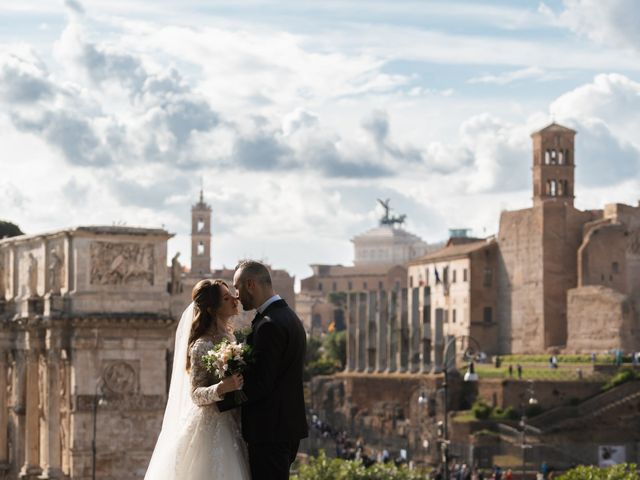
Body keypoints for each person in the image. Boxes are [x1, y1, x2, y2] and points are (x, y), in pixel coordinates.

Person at [145, 279, 250, 479]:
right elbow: (195, 394)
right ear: (212, 309)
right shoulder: (201, 345)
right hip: (212, 428)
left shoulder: (230, 338)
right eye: (227, 298)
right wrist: (222, 388)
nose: (235, 300)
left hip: (234, 422)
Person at [218, 260, 308, 480]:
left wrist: (220, 397)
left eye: (237, 288)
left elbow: (261, 383)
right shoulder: (288, 317)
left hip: (269, 431)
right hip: (283, 428)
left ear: (251, 285)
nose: (236, 296)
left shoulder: (269, 324)